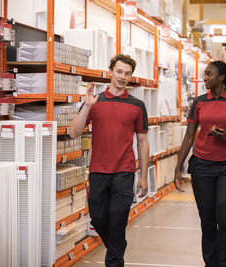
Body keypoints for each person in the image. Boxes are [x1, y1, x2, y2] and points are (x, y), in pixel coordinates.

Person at [69, 54, 149, 267]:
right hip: (98, 171)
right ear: (111, 72)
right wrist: (86, 106)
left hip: (124, 171)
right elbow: (73, 133)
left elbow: (142, 141)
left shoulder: (137, 105)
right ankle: (117, 247)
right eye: (119, 71)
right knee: (98, 219)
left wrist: (143, 176)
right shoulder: (95, 101)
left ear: (131, 76)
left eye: (127, 73)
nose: (122, 77)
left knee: (117, 220)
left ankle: (114, 261)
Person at [174, 61, 226, 267]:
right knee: (207, 220)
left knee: (225, 217)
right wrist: (178, 167)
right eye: (204, 74)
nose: (205, 77)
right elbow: (189, 137)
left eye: (209, 74)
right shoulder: (199, 102)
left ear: (222, 77)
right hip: (202, 167)